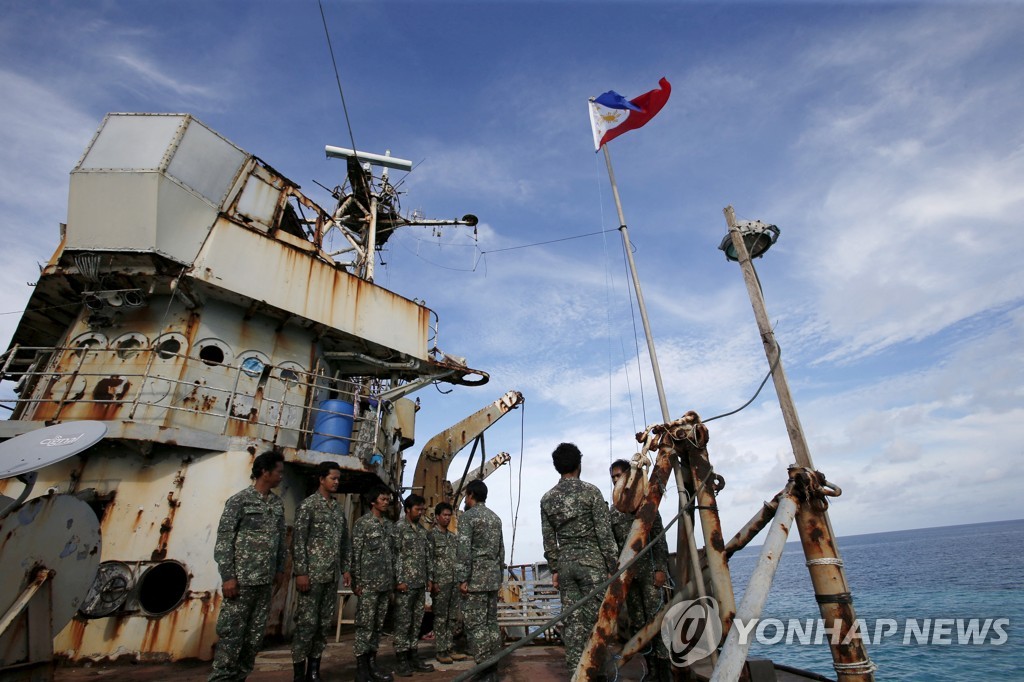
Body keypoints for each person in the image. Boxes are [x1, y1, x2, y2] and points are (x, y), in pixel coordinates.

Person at [539, 443, 618, 676]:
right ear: (579, 464)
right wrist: (612, 565)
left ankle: (577, 673)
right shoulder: (591, 492)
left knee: (572, 623)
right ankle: (598, 672)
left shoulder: (547, 499)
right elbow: (604, 534)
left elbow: (548, 540)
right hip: (592, 565)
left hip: (565, 566)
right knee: (597, 621)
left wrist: (555, 568)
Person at [209, 450, 287, 682]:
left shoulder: (277, 504)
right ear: (265, 471)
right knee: (232, 637)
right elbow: (224, 541)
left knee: (253, 640)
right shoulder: (239, 501)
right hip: (241, 583)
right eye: (279, 472)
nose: (281, 476)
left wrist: (280, 570)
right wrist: (228, 577)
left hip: (264, 583)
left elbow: (281, 540)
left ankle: (240, 678)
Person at [609, 459, 671, 682]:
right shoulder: (613, 513)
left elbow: (659, 538)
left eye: (619, 476)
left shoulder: (646, 505)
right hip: (629, 576)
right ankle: (651, 668)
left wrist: (660, 569)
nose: (616, 480)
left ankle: (665, 672)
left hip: (650, 572)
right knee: (638, 622)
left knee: (657, 620)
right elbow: (612, 545)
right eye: (613, 477)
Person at [291, 461, 352, 682]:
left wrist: (345, 568)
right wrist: (301, 572)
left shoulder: (336, 509)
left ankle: (313, 671)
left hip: (330, 576)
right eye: (333, 478)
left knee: (322, 624)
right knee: (306, 625)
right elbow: (298, 542)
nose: (336, 482)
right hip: (312, 576)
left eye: (338, 479)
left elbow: (344, 542)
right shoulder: (308, 506)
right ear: (321, 479)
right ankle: (299, 674)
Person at [456, 480, 504, 682]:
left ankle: (484, 671)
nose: (465, 499)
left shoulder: (468, 518)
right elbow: (500, 552)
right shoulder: (495, 518)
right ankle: (493, 667)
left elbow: (464, 550)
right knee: (491, 623)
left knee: (476, 626)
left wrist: (462, 578)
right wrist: (499, 577)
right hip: (492, 578)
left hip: (475, 579)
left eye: (466, 495)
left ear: (471, 495)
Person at [351, 485, 397, 682]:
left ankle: (372, 664)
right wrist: (356, 580)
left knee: (377, 627)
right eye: (383, 499)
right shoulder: (363, 524)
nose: (386, 502)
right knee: (365, 626)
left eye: (388, 500)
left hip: (384, 584)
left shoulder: (388, 526)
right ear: (373, 502)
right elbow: (356, 553)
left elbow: (393, 555)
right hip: (368, 584)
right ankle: (361, 669)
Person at [393, 493, 435, 676]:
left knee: (416, 622)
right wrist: (398, 580)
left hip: (419, 584)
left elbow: (427, 557)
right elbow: (394, 556)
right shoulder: (399, 529)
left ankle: (413, 655)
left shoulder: (422, 531)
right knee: (403, 622)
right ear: (408, 509)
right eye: (417, 509)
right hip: (405, 584)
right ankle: (402, 659)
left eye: (422, 509)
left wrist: (429, 579)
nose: (420, 513)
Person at [428, 502, 467, 664]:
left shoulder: (453, 537)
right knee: (440, 617)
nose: (447, 518)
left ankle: (450, 647)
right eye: (444, 515)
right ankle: (441, 650)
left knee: (452, 617)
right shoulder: (431, 536)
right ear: (437, 517)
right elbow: (429, 560)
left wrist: (460, 580)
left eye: (449, 515)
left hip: (453, 583)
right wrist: (432, 581)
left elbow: (458, 560)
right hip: (440, 583)